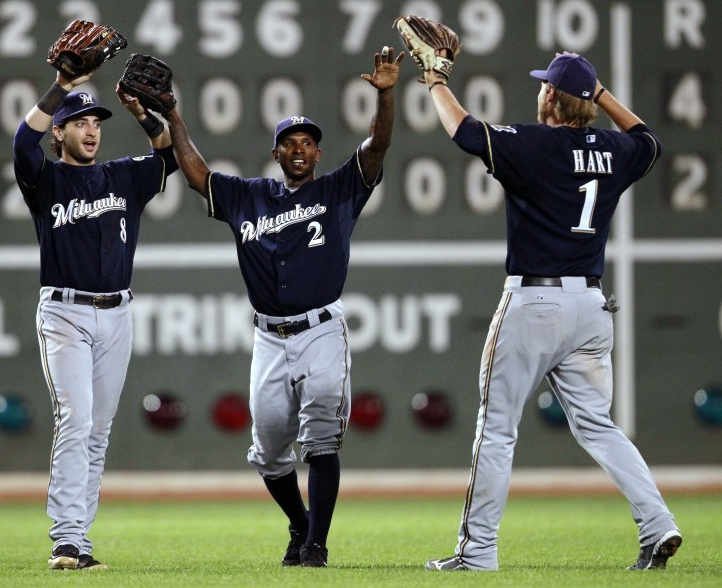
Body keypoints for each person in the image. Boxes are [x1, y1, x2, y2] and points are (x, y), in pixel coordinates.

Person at [420, 49, 682, 571]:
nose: (539, 91)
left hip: (534, 302)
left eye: (546, 86)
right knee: (599, 426)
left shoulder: (535, 143)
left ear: (550, 97)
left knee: (496, 428)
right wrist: (599, 93)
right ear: (589, 102)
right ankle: (658, 525)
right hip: (589, 307)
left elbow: (464, 131)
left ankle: (478, 553)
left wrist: (434, 81)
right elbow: (650, 139)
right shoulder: (613, 149)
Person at [160, 46, 404, 567]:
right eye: (289, 142)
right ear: (276, 154)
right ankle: (300, 523)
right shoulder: (250, 197)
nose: (299, 149)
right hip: (269, 337)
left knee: (320, 441)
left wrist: (386, 95)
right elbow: (197, 175)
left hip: (321, 331)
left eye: (308, 143)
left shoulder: (339, 190)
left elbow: (379, 144)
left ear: (318, 154)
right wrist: (174, 116)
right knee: (269, 453)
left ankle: (315, 544)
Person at [12, 66, 179, 570]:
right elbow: (23, 142)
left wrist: (144, 115)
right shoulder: (46, 178)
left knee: (98, 430)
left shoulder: (123, 176)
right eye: (79, 121)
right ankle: (64, 538)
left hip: (117, 314)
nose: (90, 129)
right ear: (59, 132)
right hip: (65, 313)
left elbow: (167, 156)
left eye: (96, 122)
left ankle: (80, 543)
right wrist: (61, 86)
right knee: (77, 420)